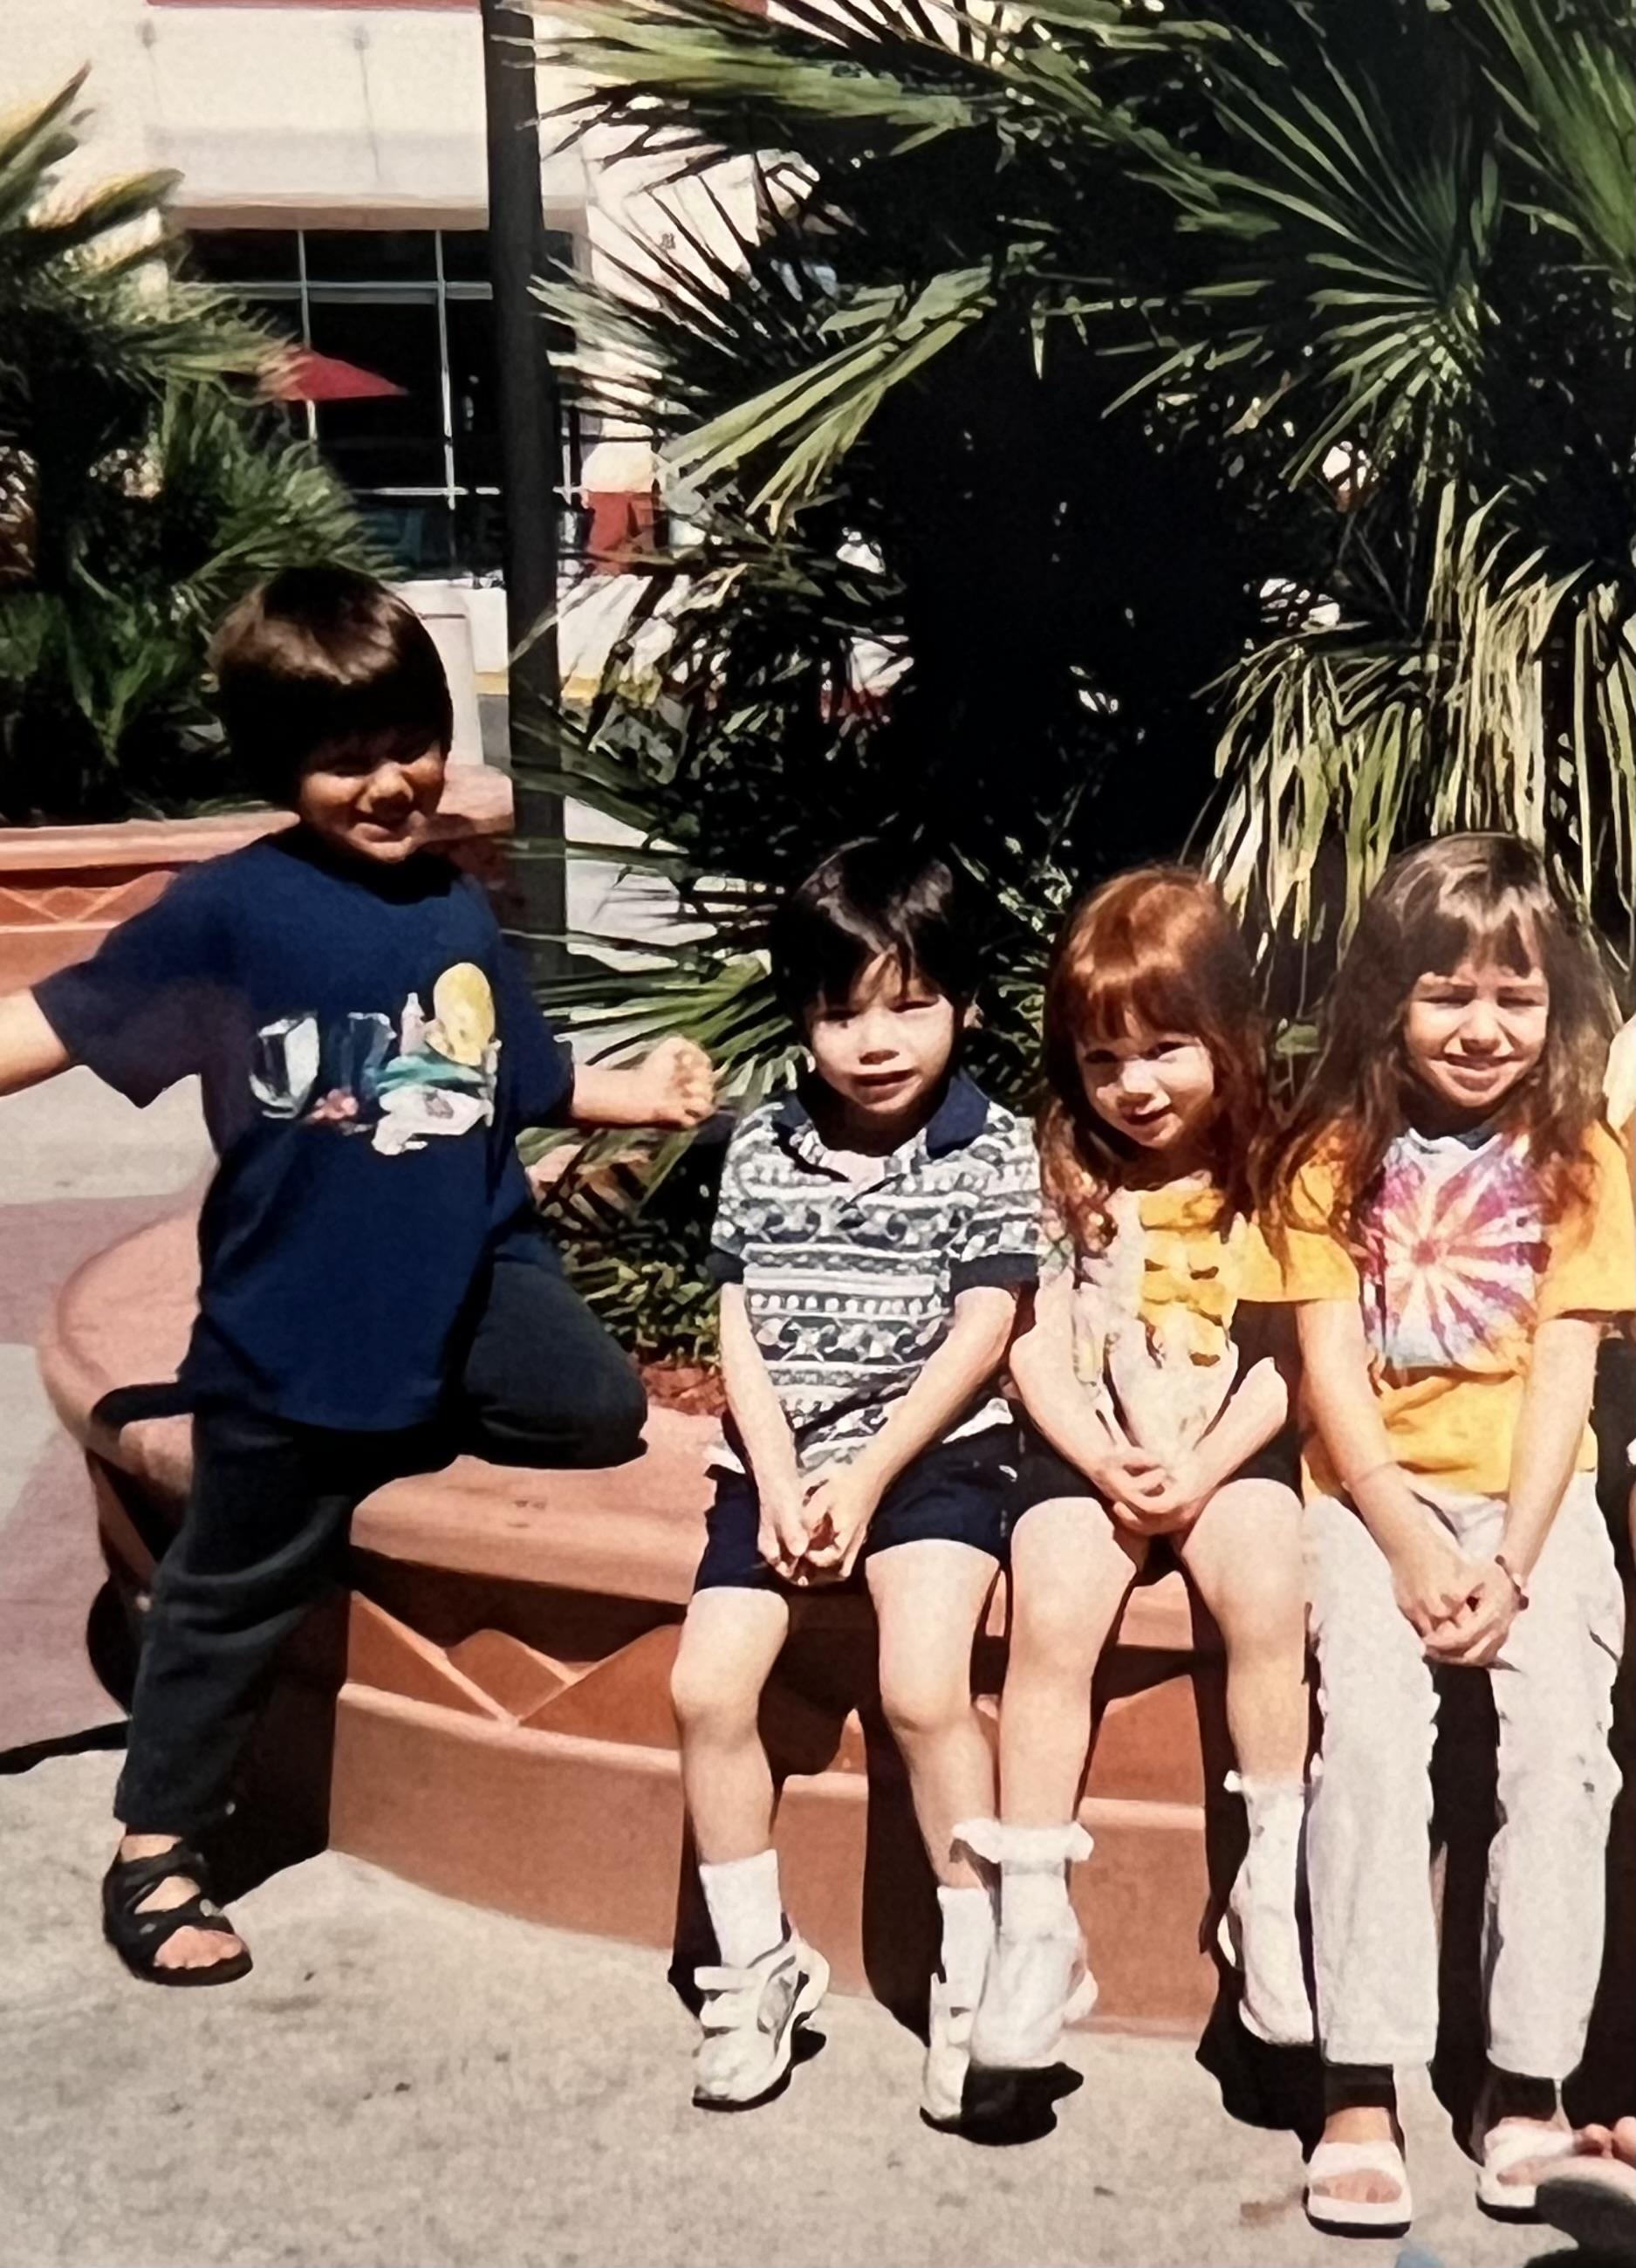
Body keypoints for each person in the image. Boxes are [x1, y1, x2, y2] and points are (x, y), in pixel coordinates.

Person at [0, 566, 715, 1986]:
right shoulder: (231, 914)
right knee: (233, 1582)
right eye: (345, 761)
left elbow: (503, 1066)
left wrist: (625, 1091)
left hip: (473, 1265)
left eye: (411, 745)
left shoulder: (453, 902)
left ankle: (405, 1406)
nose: (389, 784)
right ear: (282, 769)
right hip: (294, 1321)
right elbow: (59, 1020)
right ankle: (157, 1845)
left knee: (592, 1413)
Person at [1266, 834, 1633, 2237]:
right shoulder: (1329, 1154)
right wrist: (1411, 1547)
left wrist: (1517, 1564)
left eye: (1517, 998)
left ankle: (1525, 2080)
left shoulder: (1581, 1160)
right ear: (1387, 1001)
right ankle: (1360, 2080)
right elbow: (1329, 1373)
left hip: (1530, 1509)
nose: (1483, 1028)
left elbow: (1563, 1373)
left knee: (1563, 1753)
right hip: (1375, 1501)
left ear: (1557, 1012)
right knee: (1367, 1733)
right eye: (1447, 994)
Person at [669, 839, 1039, 2123]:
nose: (875, 1042)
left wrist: (870, 1477)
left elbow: (986, 1328)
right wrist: (777, 1482)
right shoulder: (763, 1142)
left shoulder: (993, 1147)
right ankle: (755, 1965)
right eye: (839, 1013)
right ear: (803, 1019)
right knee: (707, 1686)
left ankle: (978, 1977)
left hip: (933, 1454)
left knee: (924, 1685)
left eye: (908, 1005)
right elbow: (741, 1327)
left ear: (966, 1003)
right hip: (781, 1463)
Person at [965, 867, 1311, 2078]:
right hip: (1090, 1441)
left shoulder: (1275, 1167)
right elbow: (1030, 1341)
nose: (1136, 1086)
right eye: (1105, 1060)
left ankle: (1272, 1885)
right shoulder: (1063, 1170)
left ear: (1230, 1035)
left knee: (1270, 1592)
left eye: (1166, 1049)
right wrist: (1097, 1453)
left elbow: (1290, 1359)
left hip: (1232, 1440)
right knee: (1052, 1613)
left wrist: (1206, 1467)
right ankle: (1036, 1917)